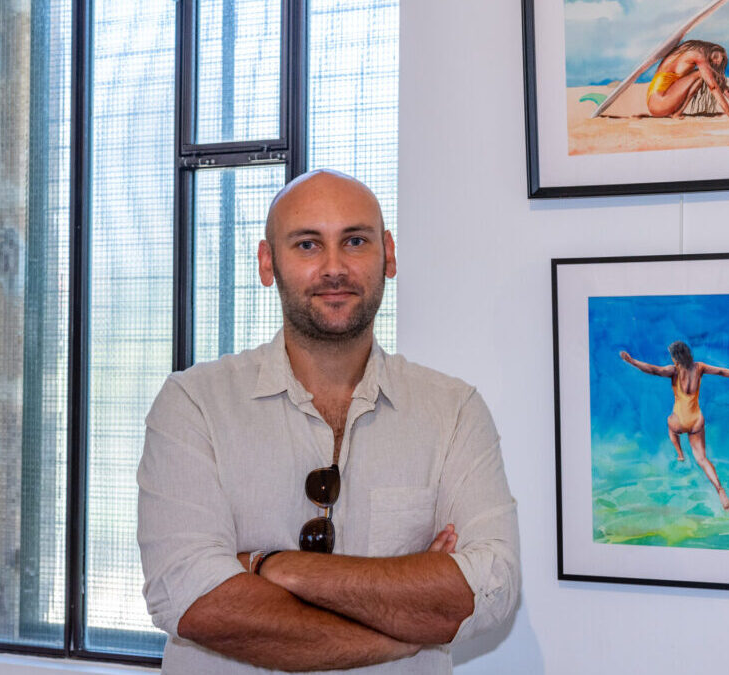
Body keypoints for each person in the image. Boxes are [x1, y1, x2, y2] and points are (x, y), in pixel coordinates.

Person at [138, 170, 520, 674]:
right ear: (267, 262)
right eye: (307, 244)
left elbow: (489, 589)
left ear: (389, 254)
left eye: (355, 241)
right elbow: (195, 600)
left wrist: (271, 566)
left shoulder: (454, 411)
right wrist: (408, 628)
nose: (334, 268)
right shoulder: (193, 404)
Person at [619, 341, 729, 510]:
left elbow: (653, 369)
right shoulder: (699, 367)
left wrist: (632, 361)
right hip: (696, 421)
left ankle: (680, 453)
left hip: (680, 421)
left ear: (675, 358)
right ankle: (721, 491)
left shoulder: (674, 371)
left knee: (669, 423)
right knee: (702, 459)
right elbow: (721, 371)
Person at [646, 39, 729, 118]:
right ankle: (677, 113)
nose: (718, 62)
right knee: (703, 74)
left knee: (703, 76)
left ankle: (677, 113)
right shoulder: (698, 55)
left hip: (656, 101)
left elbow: (713, 82)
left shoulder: (689, 50)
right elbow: (713, 86)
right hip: (659, 103)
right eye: (718, 58)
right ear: (713, 50)